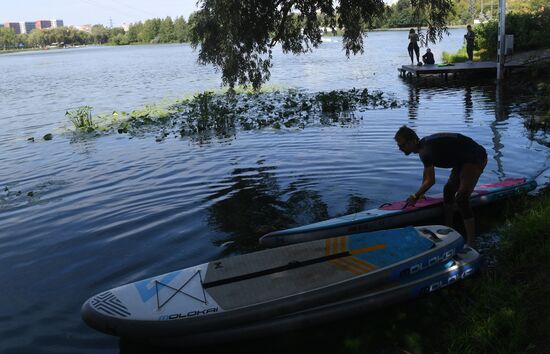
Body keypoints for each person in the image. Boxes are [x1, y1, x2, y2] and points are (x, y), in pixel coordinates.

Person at [394, 126, 487, 246]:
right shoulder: (424, 147)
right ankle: (449, 229)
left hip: (475, 157)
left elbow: (431, 181)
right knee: (448, 191)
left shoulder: (425, 150)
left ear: (412, 141)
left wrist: (415, 196)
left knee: (461, 198)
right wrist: (421, 194)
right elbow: (427, 175)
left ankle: (471, 242)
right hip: (463, 159)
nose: (400, 148)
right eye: (398, 146)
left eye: (402, 145)